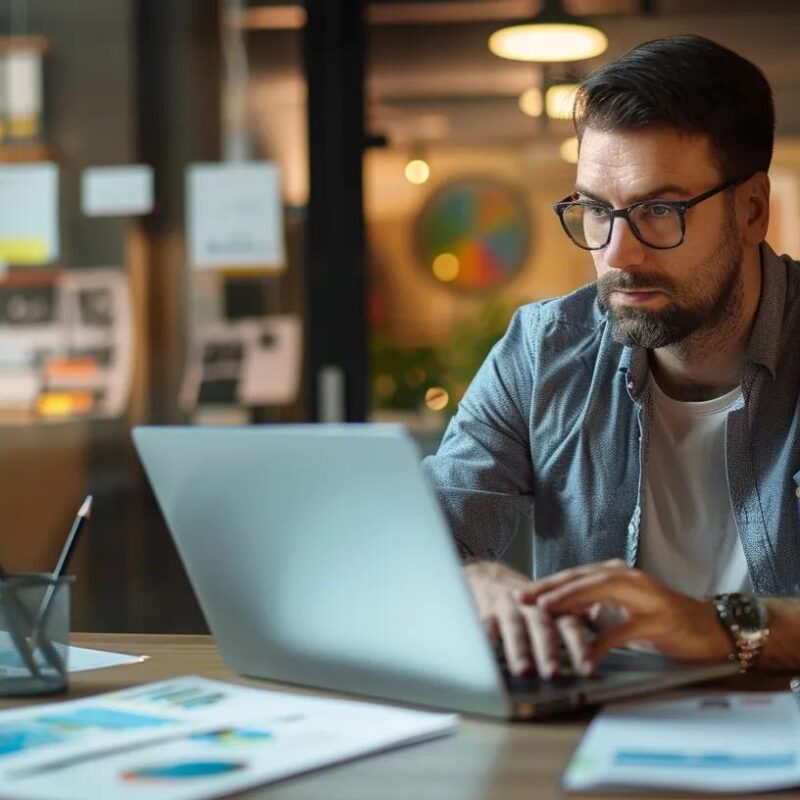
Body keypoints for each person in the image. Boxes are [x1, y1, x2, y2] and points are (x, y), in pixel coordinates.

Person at [422, 34, 800, 682]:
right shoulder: (545, 350)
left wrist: (714, 625)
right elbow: (416, 533)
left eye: (660, 210)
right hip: (587, 736)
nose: (618, 254)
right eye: (597, 210)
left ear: (752, 209)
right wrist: (470, 580)